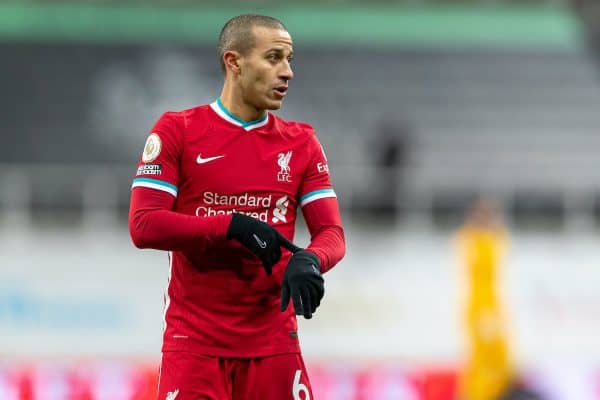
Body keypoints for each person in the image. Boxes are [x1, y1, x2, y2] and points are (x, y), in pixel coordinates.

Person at [128, 14, 345, 400]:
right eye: (274, 57)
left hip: (274, 343)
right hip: (194, 345)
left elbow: (331, 234)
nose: (288, 72)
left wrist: (311, 259)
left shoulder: (302, 143)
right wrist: (231, 226)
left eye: (290, 59)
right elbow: (144, 225)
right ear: (234, 62)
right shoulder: (178, 131)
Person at [455, 199, 513, 400]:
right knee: (480, 358)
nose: (485, 219)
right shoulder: (469, 239)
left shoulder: (494, 238)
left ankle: (495, 393)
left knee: (499, 356)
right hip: (480, 305)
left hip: (492, 303)